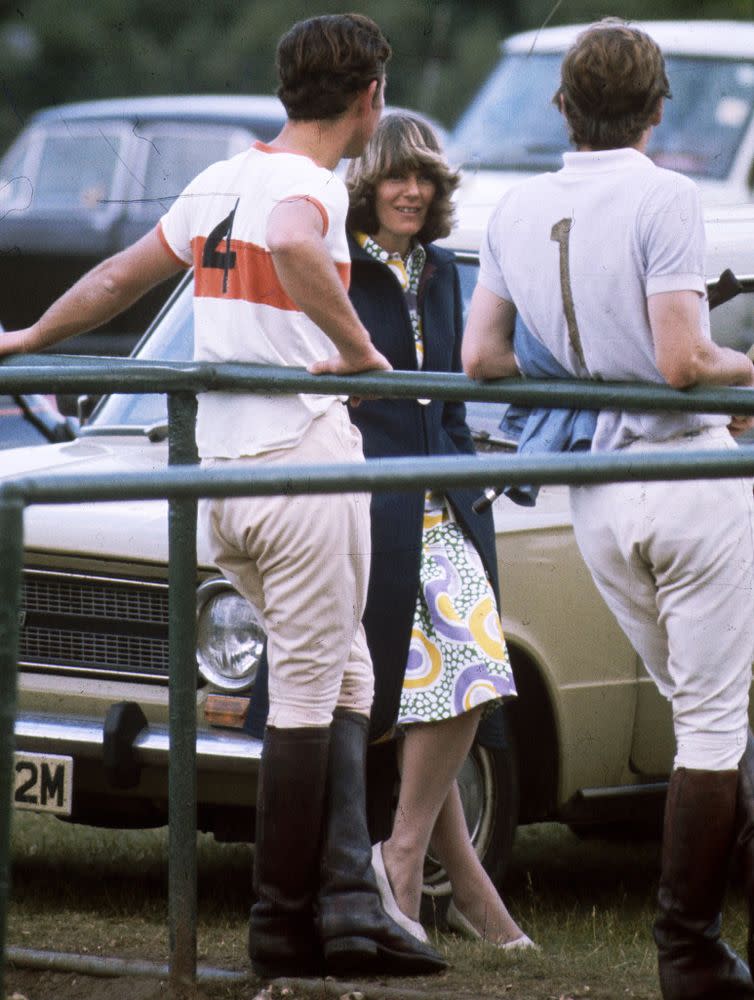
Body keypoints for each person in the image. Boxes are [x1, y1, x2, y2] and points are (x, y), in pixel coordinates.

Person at [0, 13, 446, 982]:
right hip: (301, 458)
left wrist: (36, 333)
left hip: (225, 479)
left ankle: (343, 909)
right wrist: (363, 351)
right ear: (368, 97)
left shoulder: (221, 178)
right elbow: (291, 242)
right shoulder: (310, 188)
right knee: (308, 688)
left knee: (344, 680)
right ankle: (282, 921)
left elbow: (123, 274)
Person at [462, 17, 754, 999]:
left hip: (594, 490)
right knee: (712, 726)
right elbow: (683, 360)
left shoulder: (513, 205)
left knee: (696, 710)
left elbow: (482, 360)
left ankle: (698, 939)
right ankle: (688, 948)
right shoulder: (665, 193)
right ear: (658, 105)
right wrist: (743, 365)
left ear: (560, 106)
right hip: (683, 474)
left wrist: (579, 363)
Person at [344, 112, 534, 949]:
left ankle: (414, 864)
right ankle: (434, 874)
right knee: (453, 674)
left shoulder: (444, 268)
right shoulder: (340, 265)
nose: (412, 191)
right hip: (373, 504)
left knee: (462, 673)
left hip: (443, 501)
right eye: (394, 175)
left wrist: (464, 480)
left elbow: (454, 399)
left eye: (424, 176)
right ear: (366, 184)